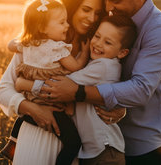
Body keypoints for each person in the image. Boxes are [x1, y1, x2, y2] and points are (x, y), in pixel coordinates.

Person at [39, 0, 161, 165]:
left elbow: (141, 89)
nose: (109, 7)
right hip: (102, 140)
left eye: (116, 1)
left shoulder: (159, 30)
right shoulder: (108, 22)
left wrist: (79, 92)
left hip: (146, 145)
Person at [0, 0, 105, 165]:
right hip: (36, 137)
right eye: (86, 10)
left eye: (97, 13)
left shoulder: (98, 48)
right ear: (71, 6)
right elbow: (3, 91)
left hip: (78, 147)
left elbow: (109, 93)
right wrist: (34, 110)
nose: (92, 19)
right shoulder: (36, 45)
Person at [16, 14, 137, 165]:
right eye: (97, 36)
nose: (98, 44)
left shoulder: (103, 67)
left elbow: (59, 86)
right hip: (94, 150)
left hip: (105, 152)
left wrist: (24, 84)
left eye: (107, 42)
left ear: (122, 53)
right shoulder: (100, 64)